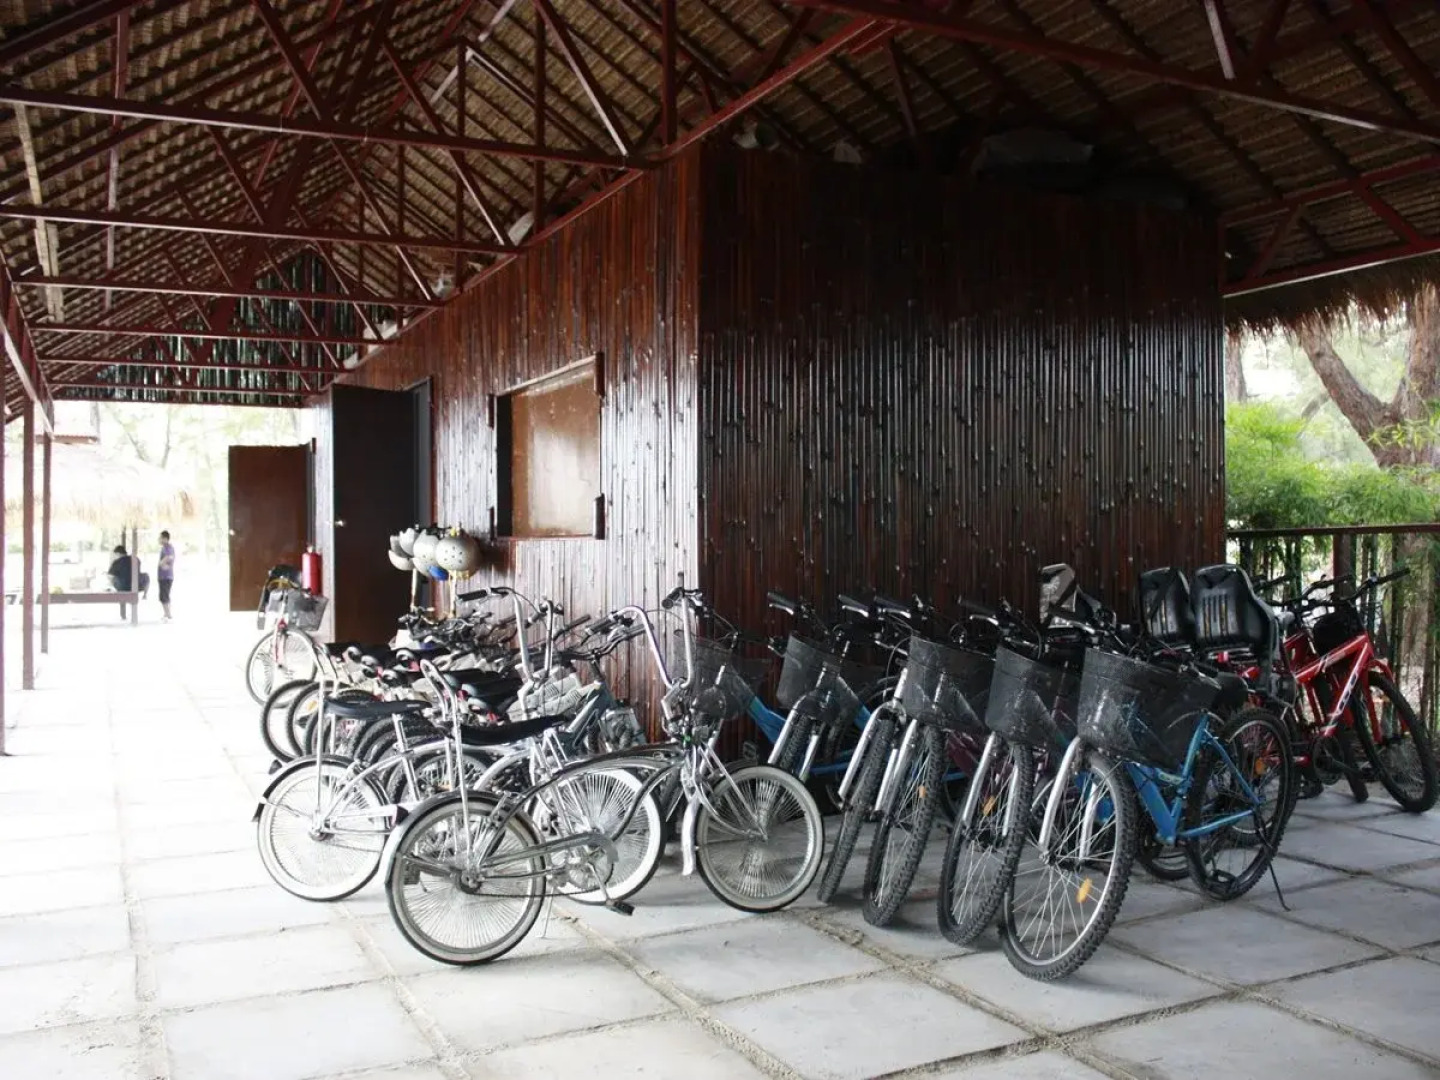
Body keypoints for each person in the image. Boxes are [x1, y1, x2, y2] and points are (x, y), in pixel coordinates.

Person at [157, 530, 176, 621]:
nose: (159, 540)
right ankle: (166, 613)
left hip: (166, 576)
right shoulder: (164, 548)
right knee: (164, 595)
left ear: (165, 539)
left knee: (164, 596)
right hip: (163, 576)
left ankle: (168, 615)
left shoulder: (168, 547)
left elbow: (170, 557)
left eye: (160, 538)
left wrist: (161, 563)